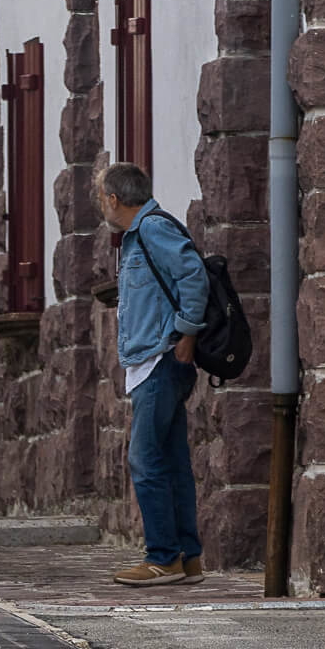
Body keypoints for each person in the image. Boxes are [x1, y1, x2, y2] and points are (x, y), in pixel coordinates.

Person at [95, 163, 211, 586]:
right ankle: (187, 557)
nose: (100, 204)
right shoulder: (136, 237)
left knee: (144, 461)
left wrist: (186, 333)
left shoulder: (151, 230)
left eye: (100, 196)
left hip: (161, 361)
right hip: (152, 361)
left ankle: (162, 557)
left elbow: (193, 278)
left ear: (113, 199)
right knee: (172, 461)